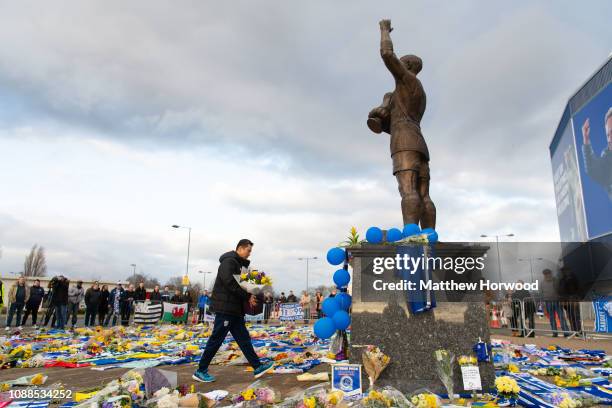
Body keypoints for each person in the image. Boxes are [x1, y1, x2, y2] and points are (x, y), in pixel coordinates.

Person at [192, 239, 273, 383]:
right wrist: (247, 296)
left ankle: (257, 366)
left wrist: (254, 288)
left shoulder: (239, 265)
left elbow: (240, 284)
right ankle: (200, 370)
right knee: (216, 339)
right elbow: (229, 283)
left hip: (235, 309)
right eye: (248, 251)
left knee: (244, 339)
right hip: (226, 308)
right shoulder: (228, 262)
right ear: (240, 249)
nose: (249, 254)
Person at [581, 109, 612, 201]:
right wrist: (586, 140)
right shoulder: (608, 159)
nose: (610, 139)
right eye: (608, 135)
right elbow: (592, 169)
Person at [540, 269, 569, 337]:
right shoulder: (542, 283)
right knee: (552, 318)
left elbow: (560, 290)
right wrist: (543, 304)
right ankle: (554, 333)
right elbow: (541, 293)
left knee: (561, 317)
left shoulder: (556, 281)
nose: (547, 275)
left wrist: (561, 299)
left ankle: (566, 332)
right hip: (548, 302)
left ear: (551, 273)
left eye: (548, 273)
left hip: (557, 301)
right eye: (545, 274)